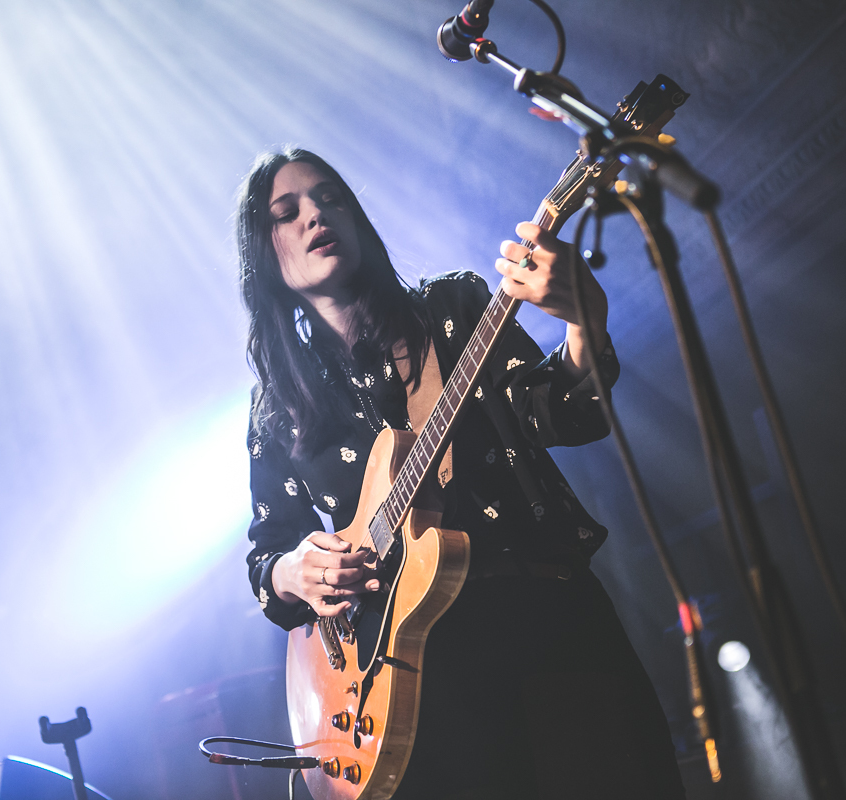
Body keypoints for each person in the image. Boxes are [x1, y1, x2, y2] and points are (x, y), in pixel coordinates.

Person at [240, 148, 685, 799]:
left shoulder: (453, 305)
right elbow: (266, 554)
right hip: (411, 685)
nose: (315, 216)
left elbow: (563, 416)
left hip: (550, 625)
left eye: (330, 198)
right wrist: (294, 568)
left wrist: (585, 321)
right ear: (266, 254)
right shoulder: (277, 403)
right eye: (288, 212)